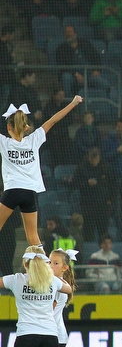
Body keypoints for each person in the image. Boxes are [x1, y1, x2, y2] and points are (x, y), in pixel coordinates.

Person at [0, 97, 83, 248]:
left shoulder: (3, 142)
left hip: (12, 191)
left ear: (9, 128)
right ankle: (45, 270)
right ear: (26, 127)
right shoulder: (34, 139)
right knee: (33, 237)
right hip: (30, 193)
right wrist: (73, 103)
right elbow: (53, 120)